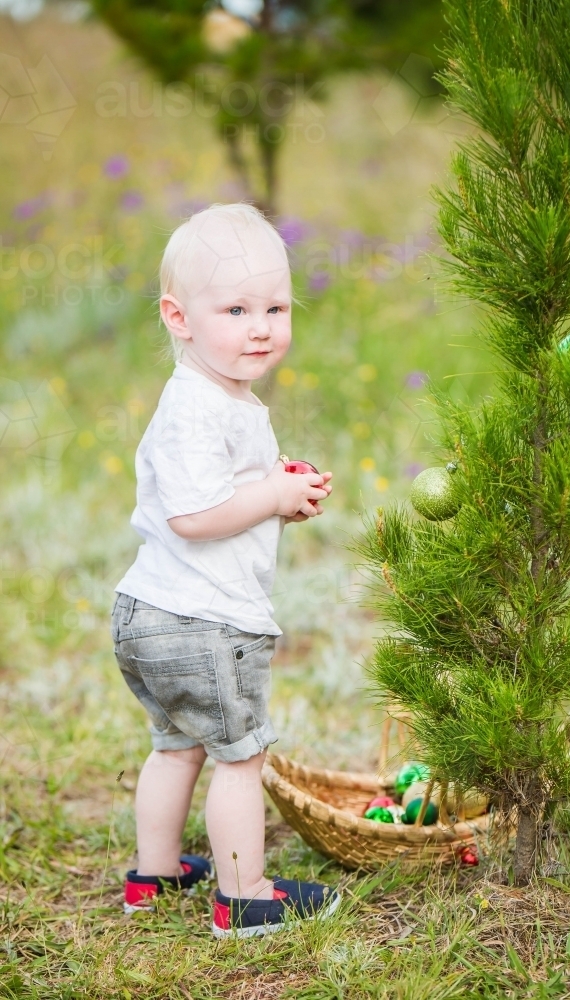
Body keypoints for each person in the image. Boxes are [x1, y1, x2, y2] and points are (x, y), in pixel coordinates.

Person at [111, 203, 339, 938]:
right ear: (178, 317)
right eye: (236, 309)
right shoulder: (194, 408)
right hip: (201, 621)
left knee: (175, 746)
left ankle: (156, 875)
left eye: (275, 306)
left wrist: (281, 492)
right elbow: (193, 516)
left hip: (155, 613)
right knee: (239, 759)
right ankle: (243, 897)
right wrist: (268, 493)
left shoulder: (223, 401)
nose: (261, 326)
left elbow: (226, 495)